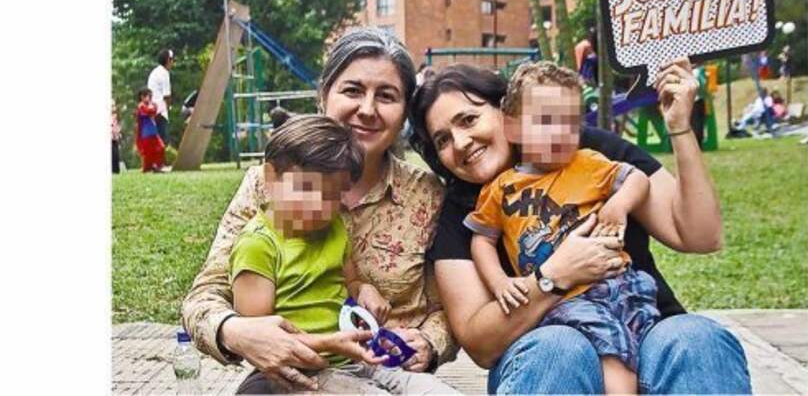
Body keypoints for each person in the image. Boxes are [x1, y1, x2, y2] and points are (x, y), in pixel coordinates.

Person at [409, 58, 752, 394]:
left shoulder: (583, 151)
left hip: (645, 325)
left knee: (698, 339)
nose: (461, 142)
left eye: (468, 119)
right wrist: (553, 277)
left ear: (507, 113)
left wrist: (679, 126)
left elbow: (700, 235)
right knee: (558, 350)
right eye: (442, 140)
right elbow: (480, 344)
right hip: (548, 346)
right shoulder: (461, 211)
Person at [182, 28, 458, 393]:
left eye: (387, 96)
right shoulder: (271, 183)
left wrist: (430, 342)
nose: (367, 109)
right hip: (299, 372)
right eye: (353, 90)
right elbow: (206, 293)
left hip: (390, 371)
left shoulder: (428, 196)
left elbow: (453, 309)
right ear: (324, 95)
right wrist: (235, 331)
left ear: (405, 111)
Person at [465, 62, 659, 395]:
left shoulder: (588, 163)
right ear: (512, 127)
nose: (559, 133)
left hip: (615, 285)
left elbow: (638, 179)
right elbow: (482, 239)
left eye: (570, 123)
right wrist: (499, 282)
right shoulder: (500, 188)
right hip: (559, 299)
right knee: (601, 363)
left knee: (623, 365)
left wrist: (619, 204)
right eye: (545, 122)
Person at [230, 114, 451, 394]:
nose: (319, 207)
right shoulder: (258, 246)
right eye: (306, 189)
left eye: (332, 197)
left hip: (354, 356)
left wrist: (364, 289)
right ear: (272, 177)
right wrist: (329, 343)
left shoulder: (334, 227)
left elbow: (350, 282)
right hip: (303, 370)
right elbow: (261, 339)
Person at [147, 48, 174, 146]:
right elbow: (167, 96)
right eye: (171, 59)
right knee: (162, 141)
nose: (172, 62)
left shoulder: (155, 72)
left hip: (152, 110)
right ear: (168, 60)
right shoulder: (164, 73)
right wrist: (167, 108)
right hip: (160, 112)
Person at [134, 88, 165, 173]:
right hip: (146, 133)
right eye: (148, 96)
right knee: (148, 153)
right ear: (142, 97)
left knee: (160, 148)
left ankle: (157, 166)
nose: (150, 98)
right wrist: (154, 107)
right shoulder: (141, 106)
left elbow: (154, 110)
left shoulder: (151, 104)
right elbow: (149, 111)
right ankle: (149, 168)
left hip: (153, 132)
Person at [112, 99, 123, 174]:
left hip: (115, 138)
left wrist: (119, 133)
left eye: (114, 106)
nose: (113, 108)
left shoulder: (114, 117)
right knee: (112, 154)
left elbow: (117, 127)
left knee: (116, 154)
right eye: (112, 106)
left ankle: (116, 170)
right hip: (111, 138)